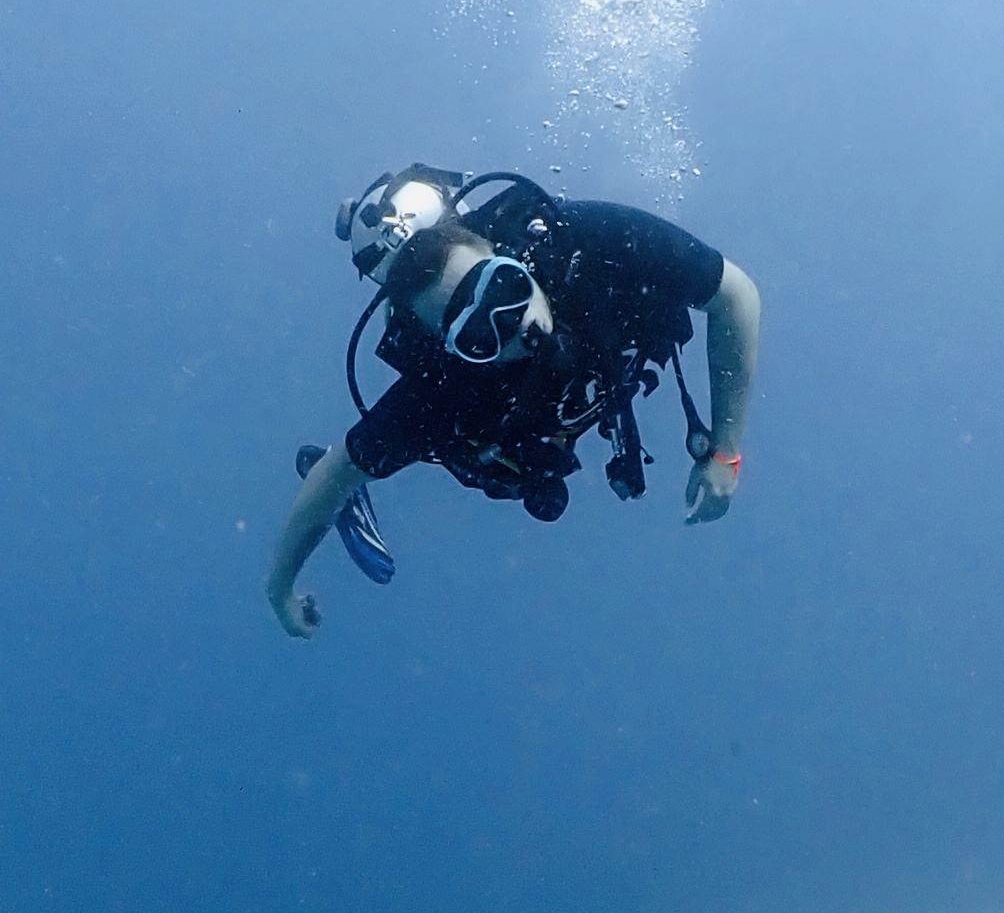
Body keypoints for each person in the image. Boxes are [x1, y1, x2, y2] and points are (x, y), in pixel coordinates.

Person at [267, 168, 760, 637]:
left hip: (595, 375)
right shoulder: (442, 389)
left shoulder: (588, 244)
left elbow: (735, 294)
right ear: (449, 345)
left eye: (502, 286)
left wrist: (726, 452)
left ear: (507, 254)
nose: (515, 324)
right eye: (478, 332)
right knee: (497, 468)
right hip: (508, 435)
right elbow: (336, 471)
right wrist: (280, 591)